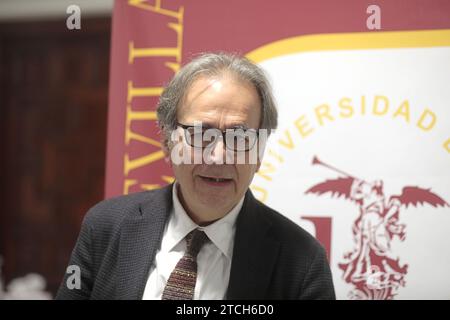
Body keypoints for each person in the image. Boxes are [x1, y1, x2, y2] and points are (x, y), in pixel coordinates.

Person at [56, 52, 335, 300]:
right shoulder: (106, 226)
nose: (218, 156)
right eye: (201, 134)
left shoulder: (303, 262)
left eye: (239, 137)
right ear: (167, 142)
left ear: (259, 153)